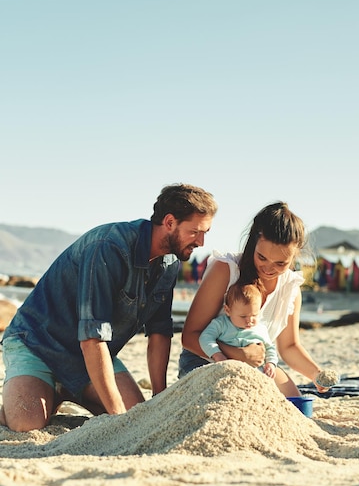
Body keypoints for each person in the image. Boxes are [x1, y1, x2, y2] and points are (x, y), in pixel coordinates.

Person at [0, 183, 218, 432]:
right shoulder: (109, 247)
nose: (201, 241)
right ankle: (38, 391)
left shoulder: (170, 264)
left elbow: (159, 332)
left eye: (205, 233)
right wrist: (116, 419)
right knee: (27, 424)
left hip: (90, 358)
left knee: (138, 418)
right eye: (196, 232)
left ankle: (60, 391)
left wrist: (159, 398)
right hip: (38, 344)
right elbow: (92, 338)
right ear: (169, 222)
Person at [179, 201, 331, 397]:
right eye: (261, 258)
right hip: (205, 361)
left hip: (257, 366)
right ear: (253, 243)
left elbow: (289, 346)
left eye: (280, 263)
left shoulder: (290, 287)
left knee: (295, 405)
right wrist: (236, 355)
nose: (268, 269)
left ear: (295, 256)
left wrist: (316, 374)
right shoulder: (226, 269)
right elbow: (189, 336)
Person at [199, 281, 278, 379]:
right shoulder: (221, 324)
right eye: (243, 316)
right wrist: (216, 354)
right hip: (225, 369)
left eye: (254, 315)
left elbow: (270, 348)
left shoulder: (260, 329)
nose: (250, 320)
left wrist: (271, 363)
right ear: (228, 310)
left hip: (253, 372)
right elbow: (205, 337)